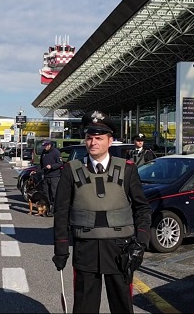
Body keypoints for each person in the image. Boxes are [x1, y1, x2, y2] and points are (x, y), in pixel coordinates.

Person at [52, 110, 152, 313]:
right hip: (85, 249)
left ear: (110, 140)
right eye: (89, 138)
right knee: (84, 307)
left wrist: (140, 244)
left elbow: (142, 209)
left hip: (120, 250)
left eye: (99, 138)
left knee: (122, 306)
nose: (93, 142)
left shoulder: (127, 169)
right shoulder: (71, 170)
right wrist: (61, 248)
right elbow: (61, 212)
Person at [36, 139, 62, 217]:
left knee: (54, 194)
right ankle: (46, 209)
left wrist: (51, 166)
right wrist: (36, 171)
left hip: (54, 176)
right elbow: (41, 164)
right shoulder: (44, 152)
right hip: (46, 176)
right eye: (43, 146)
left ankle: (53, 210)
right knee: (45, 194)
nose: (44, 148)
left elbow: (60, 163)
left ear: (49, 145)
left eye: (45, 146)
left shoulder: (56, 152)